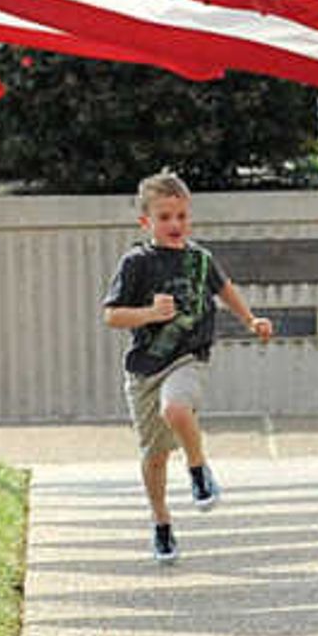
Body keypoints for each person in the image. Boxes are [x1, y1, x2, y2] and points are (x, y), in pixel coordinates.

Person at [99, 170, 271, 563]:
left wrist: (250, 320)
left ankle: (198, 470)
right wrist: (148, 313)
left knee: (175, 408)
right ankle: (161, 522)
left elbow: (224, 288)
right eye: (164, 217)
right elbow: (111, 316)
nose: (175, 224)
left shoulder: (199, 260)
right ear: (147, 222)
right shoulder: (137, 263)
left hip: (188, 359)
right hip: (144, 368)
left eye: (181, 216)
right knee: (155, 455)